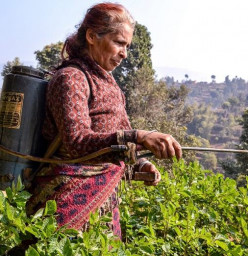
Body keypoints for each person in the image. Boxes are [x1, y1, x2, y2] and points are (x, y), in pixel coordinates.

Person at [26, 2, 182, 238]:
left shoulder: (111, 86)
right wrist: (140, 136)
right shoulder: (71, 79)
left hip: (104, 208)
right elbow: (77, 142)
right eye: (119, 43)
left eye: (127, 46)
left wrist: (140, 165)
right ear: (91, 36)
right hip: (64, 204)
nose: (124, 53)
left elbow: (119, 142)